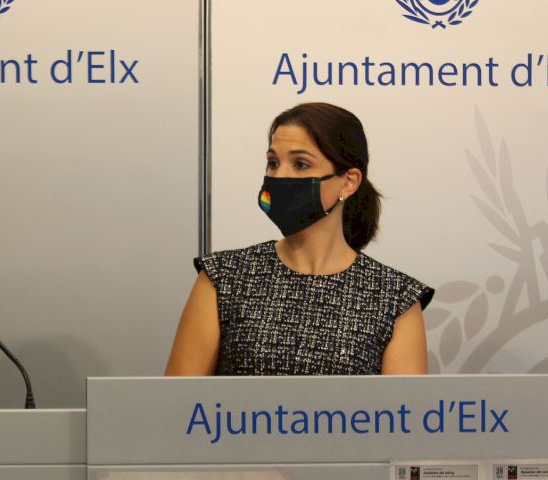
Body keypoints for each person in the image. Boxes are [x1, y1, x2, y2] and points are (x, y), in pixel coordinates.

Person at [166, 102, 433, 376]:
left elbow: (403, 404)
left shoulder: (395, 298)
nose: (279, 176)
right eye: (273, 163)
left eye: (300, 164)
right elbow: (179, 397)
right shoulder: (223, 277)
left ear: (349, 182)